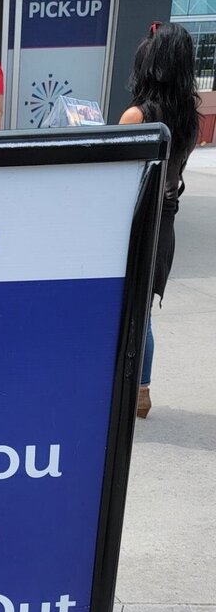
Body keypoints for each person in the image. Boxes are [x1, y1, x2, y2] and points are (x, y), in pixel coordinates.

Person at [119, 22, 199, 419]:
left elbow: (116, 177)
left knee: (124, 307)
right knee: (143, 310)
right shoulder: (189, 117)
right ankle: (142, 388)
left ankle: (126, 385)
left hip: (135, 224)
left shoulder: (138, 116)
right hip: (165, 221)